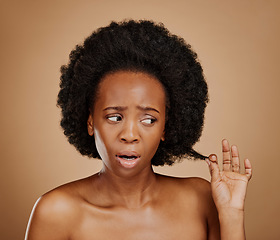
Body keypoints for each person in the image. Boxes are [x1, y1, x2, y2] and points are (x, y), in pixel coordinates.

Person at [25, 20, 252, 240]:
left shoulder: (200, 200)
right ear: (90, 122)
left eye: (148, 120)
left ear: (165, 127)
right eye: (115, 117)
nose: (130, 135)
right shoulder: (56, 213)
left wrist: (232, 215)